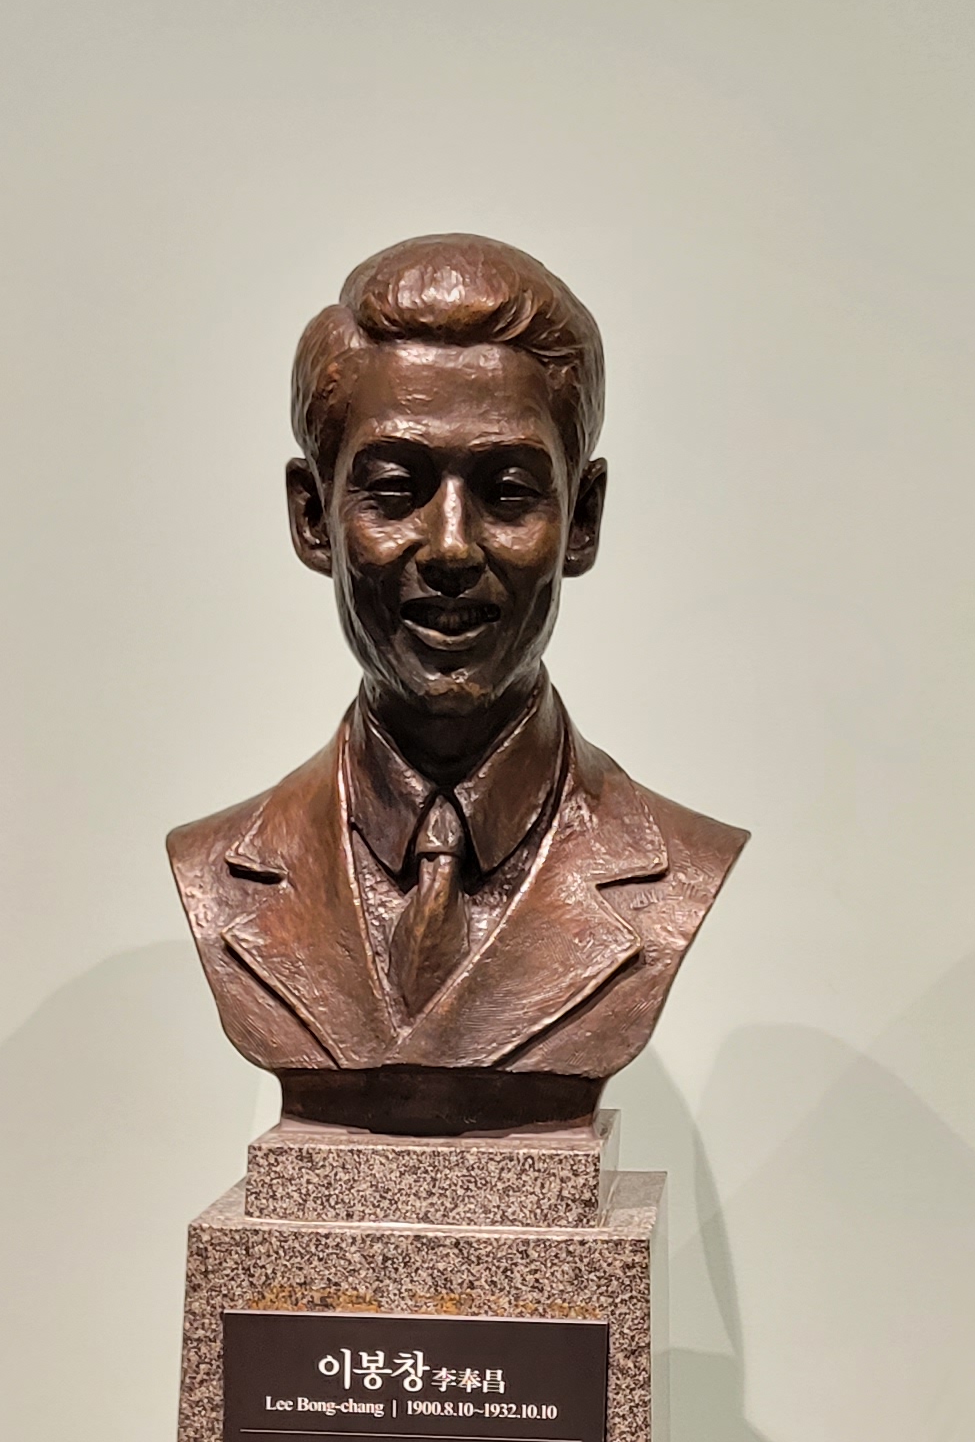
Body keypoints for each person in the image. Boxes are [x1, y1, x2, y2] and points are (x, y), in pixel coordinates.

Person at [170, 235, 745, 1136]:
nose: (449, 547)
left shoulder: (678, 865)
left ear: (583, 519)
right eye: (396, 489)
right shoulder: (218, 868)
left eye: (508, 491)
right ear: (313, 516)